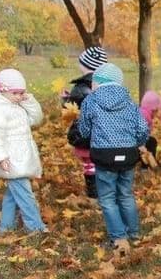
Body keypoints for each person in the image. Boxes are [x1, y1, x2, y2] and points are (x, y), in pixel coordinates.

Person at [77, 63, 150, 253]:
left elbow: (84, 129)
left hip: (104, 155)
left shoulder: (91, 101)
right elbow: (142, 129)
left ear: (98, 83)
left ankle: (118, 237)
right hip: (128, 154)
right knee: (125, 193)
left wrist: (91, 135)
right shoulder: (129, 101)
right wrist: (137, 142)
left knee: (108, 198)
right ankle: (133, 232)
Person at [0, 69, 47, 233]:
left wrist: (29, 101)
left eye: (22, 93)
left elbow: (36, 119)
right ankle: (35, 227)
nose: (20, 96)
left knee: (12, 194)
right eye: (16, 93)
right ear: (3, 91)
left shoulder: (16, 105)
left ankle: (6, 227)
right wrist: (0, 157)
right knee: (25, 194)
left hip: (21, 157)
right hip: (10, 159)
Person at [63, 46, 108, 198]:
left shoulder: (80, 88)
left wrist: (65, 101)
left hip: (87, 134)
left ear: (85, 65)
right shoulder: (108, 84)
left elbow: (73, 109)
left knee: (90, 164)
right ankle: (106, 191)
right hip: (105, 134)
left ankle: (94, 194)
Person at [139, 90, 161, 168]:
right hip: (134, 144)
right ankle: (145, 167)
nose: (158, 112)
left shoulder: (143, 112)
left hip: (136, 141)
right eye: (157, 110)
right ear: (153, 109)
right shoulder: (145, 116)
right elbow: (140, 134)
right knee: (151, 143)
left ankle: (148, 164)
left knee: (151, 141)